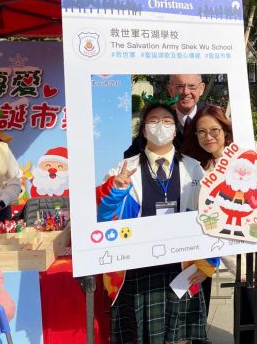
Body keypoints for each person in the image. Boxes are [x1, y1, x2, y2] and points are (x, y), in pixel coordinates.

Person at [96, 103, 216, 344]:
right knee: (137, 336)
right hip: (135, 269)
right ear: (143, 130)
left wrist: (209, 263)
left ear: (175, 131)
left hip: (181, 267)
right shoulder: (123, 170)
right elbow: (103, 218)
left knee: (180, 339)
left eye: (167, 121)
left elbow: (211, 217)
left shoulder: (194, 169)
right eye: (153, 120)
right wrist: (116, 190)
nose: (160, 126)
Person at [182, 104, 257, 344]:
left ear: (225, 130)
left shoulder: (249, 150)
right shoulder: (201, 171)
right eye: (201, 132)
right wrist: (231, 262)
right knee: (249, 324)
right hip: (243, 259)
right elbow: (208, 221)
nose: (208, 136)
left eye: (214, 130)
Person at [124, 74, 206, 158]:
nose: (186, 92)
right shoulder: (157, 119)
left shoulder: (210, 116)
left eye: (192, 87)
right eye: (180, 86)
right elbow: (131, 155)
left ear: (201, 89)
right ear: (170, 90)